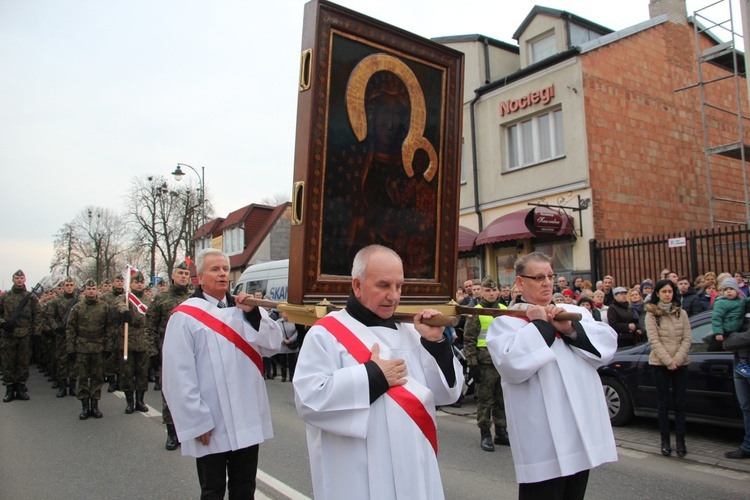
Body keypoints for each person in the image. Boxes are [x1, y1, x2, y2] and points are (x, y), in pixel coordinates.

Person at [293, 245, 463, 499]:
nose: (394, 296)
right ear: (358, 286)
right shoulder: (326, 333)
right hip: (356, 474)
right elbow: (309, 399)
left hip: (413, 471)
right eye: (383, 285)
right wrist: (373, 376)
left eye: (399, 286)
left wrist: (435, 345)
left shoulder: (411, 333)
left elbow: (446, 395)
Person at [485, 252, 617, 499]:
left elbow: (607, 345)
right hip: (542, 435)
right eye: (538, 277)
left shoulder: (571, 311)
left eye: (550, 275)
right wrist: (541, 326)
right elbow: (511, 365)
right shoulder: (505, 322)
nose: (547, 282)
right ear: (520, 282)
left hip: (579, 428)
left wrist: (569, 329)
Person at [162, 249, 282, 499]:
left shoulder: (245, 308)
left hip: (246, 416)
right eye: (215, 269)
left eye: (225, 269)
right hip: (211, 420)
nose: (223, 274)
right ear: (200, 277)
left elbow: (273, 345)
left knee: (245, 487)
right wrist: (195, 420)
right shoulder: (185, 316)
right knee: (213, 490)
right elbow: (178, 374)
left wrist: (252, 314)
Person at [146, 260, 192, 451]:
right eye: (180, 273)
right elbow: (149, 326)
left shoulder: (194, 298)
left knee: (191, 391)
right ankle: (172, 433)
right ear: (173, 276)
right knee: (170, 393)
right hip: (169, 352)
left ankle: (189, 431)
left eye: (186, 273)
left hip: (191, 352)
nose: (183, 276)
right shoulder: (161, 298)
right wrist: (152, 352)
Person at [644, 279, 691, 458]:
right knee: (663, 404)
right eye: (663, 292)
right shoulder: (652, 315)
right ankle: (665, 441)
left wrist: (677, 360)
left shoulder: (682, 313)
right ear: (657, 293)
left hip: (681, 363)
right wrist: (668, 361)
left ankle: (680, 441)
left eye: (670, 292)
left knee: (679, 404)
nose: (667, 295)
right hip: (660, 364)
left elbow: (687, 338)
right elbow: (654, 340)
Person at [464, 276, 509, 451]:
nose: (491, 294)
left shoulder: (505, 309)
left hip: (502, 361)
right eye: (487, 290)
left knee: (501, 399)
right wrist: (472, 364)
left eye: (493, 290)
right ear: (482, 292)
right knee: (485, 400)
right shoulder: (476, 311)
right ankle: (485, 434)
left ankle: (501, 432)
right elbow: (469, 339)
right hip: (484, 362)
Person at [66, 279, 116, 419]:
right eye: (89, 288)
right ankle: (84, 407)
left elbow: (110, 328)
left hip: (98, 347)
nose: (91, 291)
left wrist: (108, 347)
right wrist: (70, 348)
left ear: (97, 290)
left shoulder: (104, 307)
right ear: (85, 290)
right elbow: (70, 329)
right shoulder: (78, 308)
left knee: (97, 378)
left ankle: (94, 405)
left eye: (93, 289)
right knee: (82, 378)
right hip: (81, 348)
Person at [117, 271, 156, 414]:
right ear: (131, 284)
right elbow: (117, 304)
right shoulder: (125, 298)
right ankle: (129, 402)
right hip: (128, 339)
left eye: (141, 282)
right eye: (136, 282)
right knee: (127, 372)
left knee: (142, 373)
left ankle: (140, 400)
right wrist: (124, 311)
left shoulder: (149, 299)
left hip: (144, 340)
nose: (139, 284)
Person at [0, 270, 42, 402]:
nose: (19, 280)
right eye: (17, 278)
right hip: (9, 335)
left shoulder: (30, 298)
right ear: (12, 279)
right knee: (8, 363)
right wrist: (3, 324)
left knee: (23, 363)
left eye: (21, 278)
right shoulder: (5, 297)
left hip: (25, 335)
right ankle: (10, 390)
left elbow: (38, 315)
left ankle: (21, 388)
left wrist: (36, 333)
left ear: (25, 280)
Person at [46, 277, 78, 398]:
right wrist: (56, 327)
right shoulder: (56, 301)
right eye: (67, 285)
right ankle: (62, 386)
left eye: (71, 285)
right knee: (61, 361)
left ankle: (73, 386)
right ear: (63, 287)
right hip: (61, 335)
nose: (69, 287)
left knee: (74, 360)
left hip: (74, 335)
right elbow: (49, 316)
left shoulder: (79, 300)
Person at [712, 278, 749, 377]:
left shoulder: (741, 301)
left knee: (741, 341)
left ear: (737, 291)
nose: (728, 291)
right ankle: (742, 363)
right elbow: (716, 318)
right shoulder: (721, 303)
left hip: (736, 329)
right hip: (728, 331)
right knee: (742, 341)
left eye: (731, 289)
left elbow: (747, 301)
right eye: (726, 289)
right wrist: (718, 332)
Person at [275, 311, 299, 382]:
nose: (286, 315)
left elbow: (297, 332)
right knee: (283, 361)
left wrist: (291, 339)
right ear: (282, 313)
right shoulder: (278, 322)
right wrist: (283, 340)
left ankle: (292, 376)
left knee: (292, 361)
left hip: (292, 344)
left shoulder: (294, 321)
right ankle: (283, 376)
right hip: (282, 344)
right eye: (285, 313)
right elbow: (276, 332)